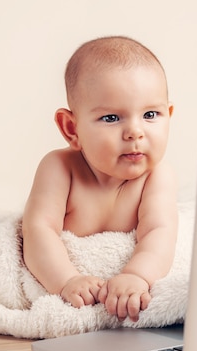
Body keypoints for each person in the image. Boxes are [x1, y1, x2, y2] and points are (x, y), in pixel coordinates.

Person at [22, 36, 178, 322]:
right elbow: (38, 230)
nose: (135, 132)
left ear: (169, 115)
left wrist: (136, 276)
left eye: (150, 114)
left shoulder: (156, 177)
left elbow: (160, 233)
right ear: (72, 129)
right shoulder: (60, 168)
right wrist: (67, 280)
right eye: (111, 118)